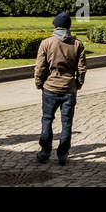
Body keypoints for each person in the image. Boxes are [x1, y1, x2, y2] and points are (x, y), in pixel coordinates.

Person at [35, 11, 88, 166]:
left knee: (47, 119)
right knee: (67, 123)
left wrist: (39, 83)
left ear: (56, 26)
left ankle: (45, 152)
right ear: (69, 27)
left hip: (50, 88)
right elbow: (82, 68)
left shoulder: (46, 43)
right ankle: (63, 154)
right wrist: (77, 84)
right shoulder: (77, 44)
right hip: (69, 89)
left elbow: (40, 67)